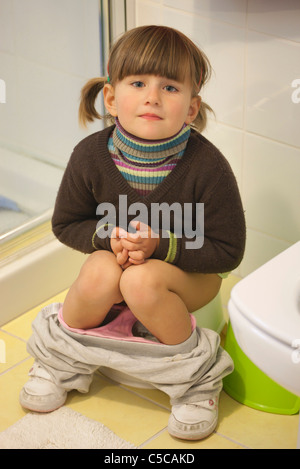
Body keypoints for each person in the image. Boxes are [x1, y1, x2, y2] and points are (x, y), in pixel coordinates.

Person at [19, 25, 246, 441]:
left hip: (190, 277)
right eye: (138, 82)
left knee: (141, 279)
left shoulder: (207, 166)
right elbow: (66, 224)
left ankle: (196, 380)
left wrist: (161, 245)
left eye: (170, 87)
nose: (152, 96)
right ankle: (60, 361)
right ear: (111, 97)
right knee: (101, 272)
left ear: (191, 109)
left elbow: (228, 250)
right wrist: (111, 239)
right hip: (120, 260)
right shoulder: (89, 156)